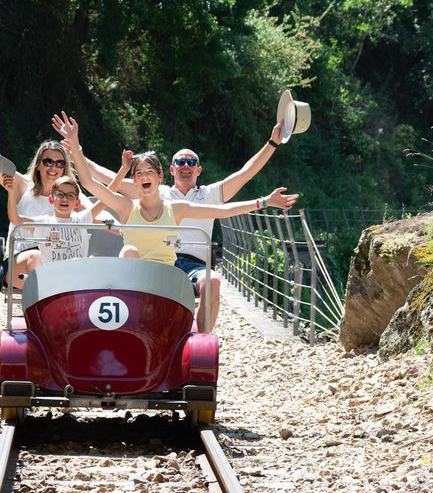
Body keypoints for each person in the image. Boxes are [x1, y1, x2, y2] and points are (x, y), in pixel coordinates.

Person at [54, 114, 297, 333]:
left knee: (212, 280)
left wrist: (271, 148)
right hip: (147, 260)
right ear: (170, 170)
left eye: (191, 162)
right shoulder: (145, 197)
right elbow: (97, 178)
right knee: (129, 251)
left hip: (188, 263)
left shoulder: (202, 197)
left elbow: (241, 180)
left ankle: (202, 338)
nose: (186, 166)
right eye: (180, 162)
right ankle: (127, 324)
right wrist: (75, 148)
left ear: (198, 169)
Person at [0, 104, 95, 291]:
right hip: (22, 262)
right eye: (48, 161)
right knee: (38, 258)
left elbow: (96, 210)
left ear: (64, 167)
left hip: (60, 263)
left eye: (59, 163)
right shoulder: (22, 185)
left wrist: (116, 225)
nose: (53, 167)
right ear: (38, 164)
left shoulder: (70, 195)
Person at [3, 156, 131, 288]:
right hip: (53, 278)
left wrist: (123, 170)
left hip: (76, 276)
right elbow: (16, 219)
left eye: (70, 195)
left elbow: (107, 196)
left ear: (77, 202)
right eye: (60, 194)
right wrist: (11, 193)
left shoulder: (81, 219)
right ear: (52, 200)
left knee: (95, 265)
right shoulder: (44, 223)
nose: (65, 199)